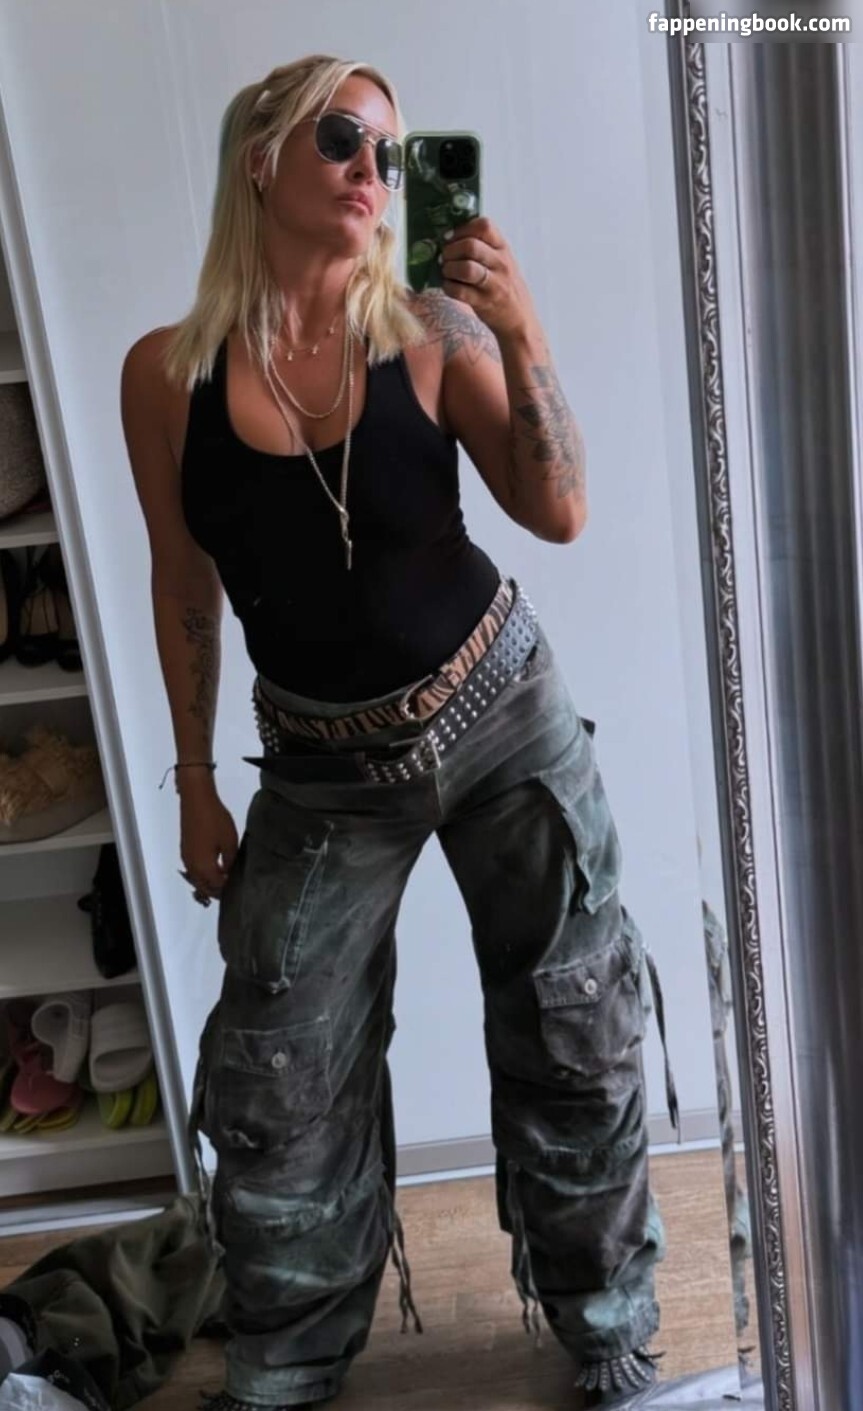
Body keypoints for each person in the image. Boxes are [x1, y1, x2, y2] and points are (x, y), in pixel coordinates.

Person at [120, 53, 672, 1411]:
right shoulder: (167, 377)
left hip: (502, 721)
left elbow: (559, 513)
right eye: (342, 139)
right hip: (320, 768)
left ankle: (609, 1329)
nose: (375, 170)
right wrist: (193, 782)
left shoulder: (435, 331)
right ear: (260, 159)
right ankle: (290, 1361)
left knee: (575, 1027)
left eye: (390, 148)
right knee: (278, 1070)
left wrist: (523, 329)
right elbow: (183, 582)